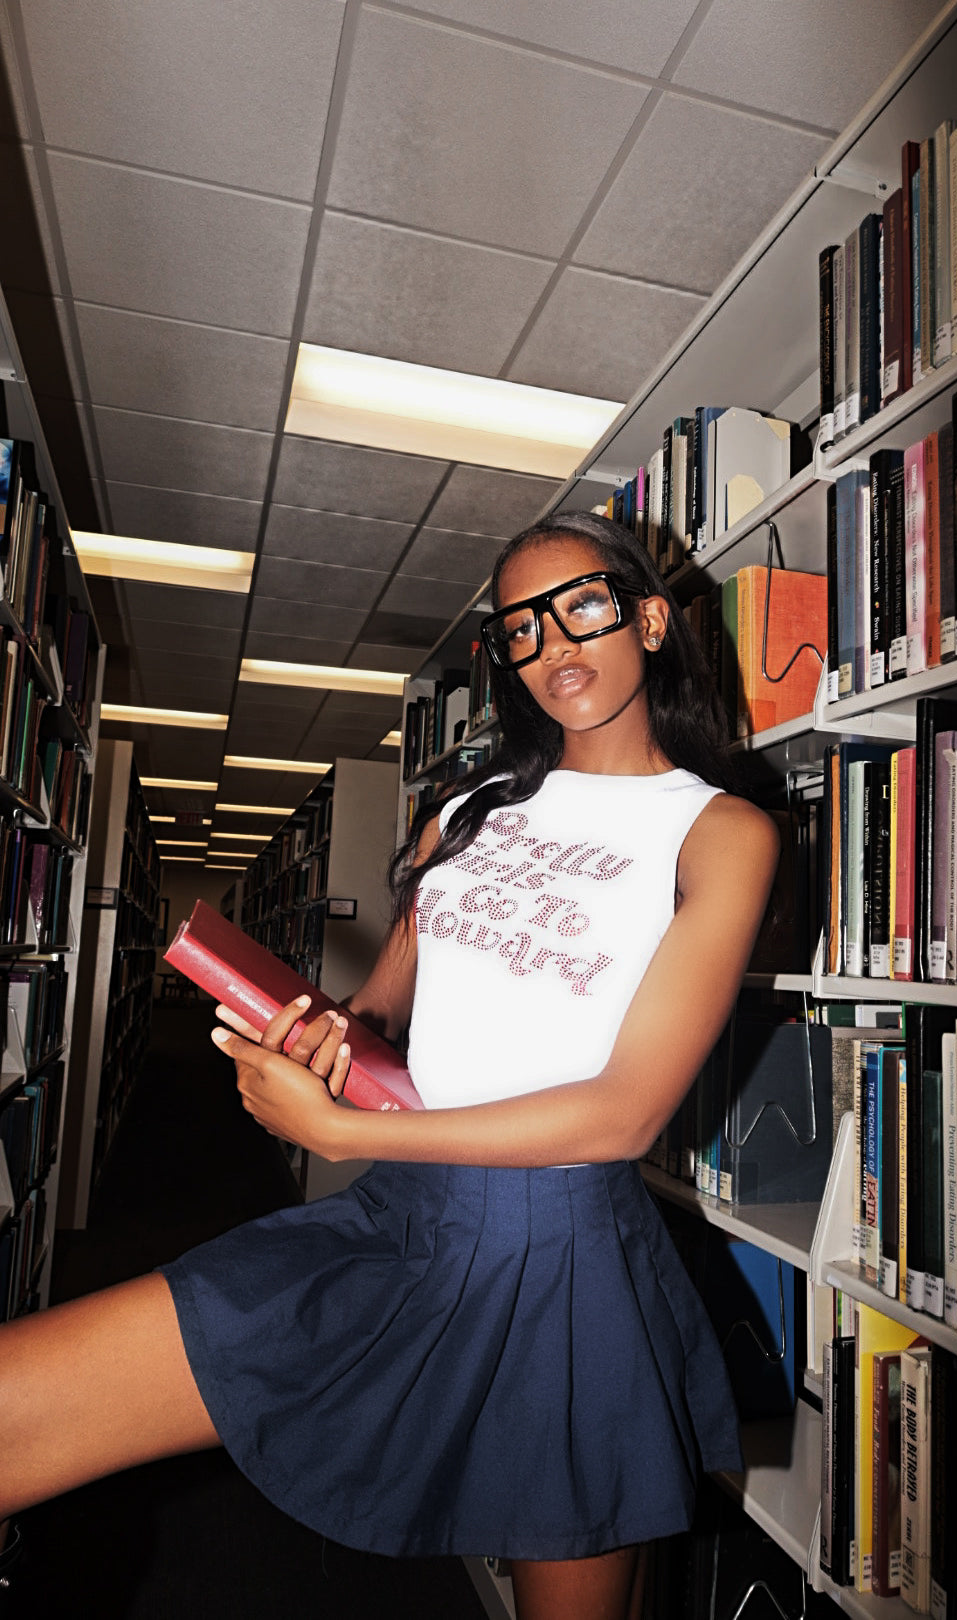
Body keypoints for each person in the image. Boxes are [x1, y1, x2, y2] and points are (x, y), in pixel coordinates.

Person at [0, 511, 778, 1620]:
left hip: (556, 1255)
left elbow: (623, 1113)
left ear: (650, 619)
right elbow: (375, 1011)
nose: (554, 645)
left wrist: (347, 1132)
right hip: (401, 1216)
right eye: (521, 629)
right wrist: (311, 1043)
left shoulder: (719, 832)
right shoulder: (466, 812)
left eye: (585, 607)